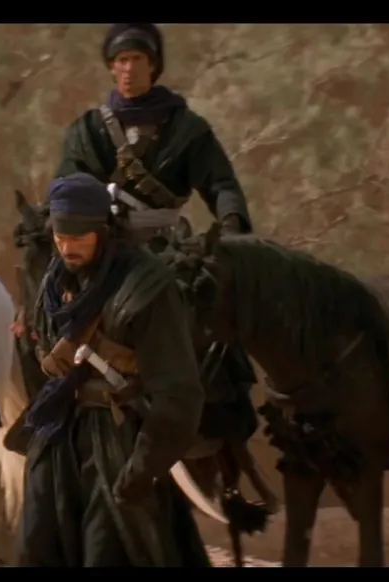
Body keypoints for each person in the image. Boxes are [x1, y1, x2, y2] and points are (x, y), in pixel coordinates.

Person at [52, 22, 259, 446]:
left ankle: (217, 420)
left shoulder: (186, 129)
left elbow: (221, 185)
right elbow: (66, 189)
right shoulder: (88, 131)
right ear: (111, 68)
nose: (128, 68)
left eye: (136, 59)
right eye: (120, 60)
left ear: (153, 65)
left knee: (210, 317)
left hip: (166, 248)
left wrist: (233, 225)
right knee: (51, 313)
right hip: (101, 251)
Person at [15, 173, 211, 567]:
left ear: (104, 231)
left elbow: (179, 392)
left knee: (108, 553)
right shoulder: (54, 284)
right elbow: (43, 365)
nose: (67, 248)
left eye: (78, 238)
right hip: (58, 435)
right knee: (36, 547)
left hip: (118, 439)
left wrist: (143, 467)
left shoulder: (146, 286)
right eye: (60, 238)